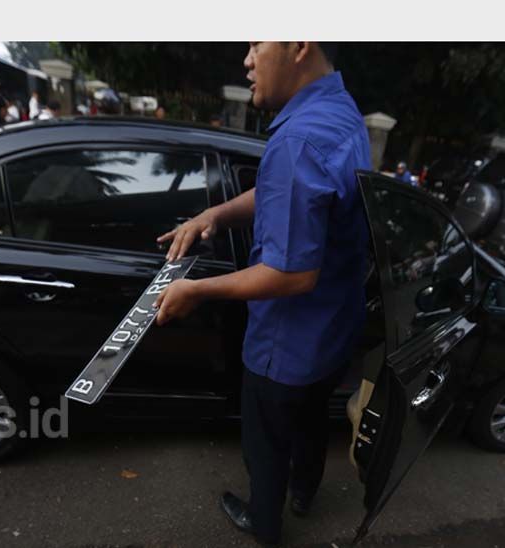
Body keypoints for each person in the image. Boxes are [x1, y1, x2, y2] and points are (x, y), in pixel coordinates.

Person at [153, 42, 370, 547]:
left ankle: (266, 525)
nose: (247, 60)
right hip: (335, 329)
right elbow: (290, 189)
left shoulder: (297, 137)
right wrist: (217, 213)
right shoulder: (341, 112)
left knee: (265, 443)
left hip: (286, 343)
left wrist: (197, 290)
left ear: (298, 44)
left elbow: (292, 275)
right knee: (315, 418)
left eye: (256, 42)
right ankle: (304, 493)